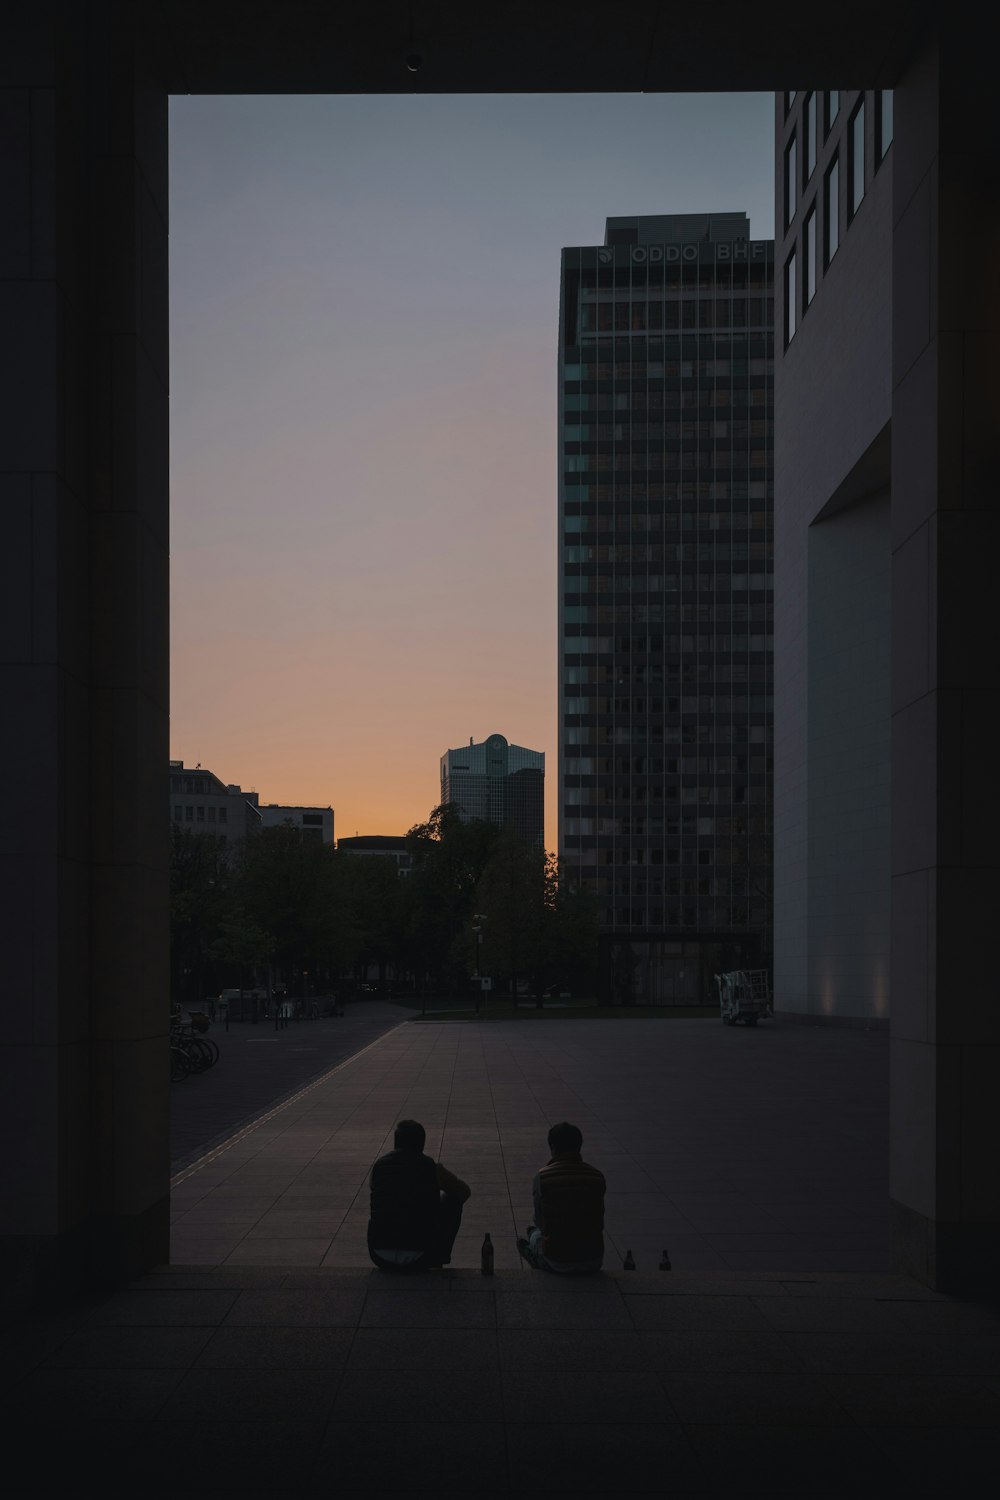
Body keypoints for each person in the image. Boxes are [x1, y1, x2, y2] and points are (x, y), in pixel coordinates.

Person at [368, 1119, 471, 1272]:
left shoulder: (379, 1167)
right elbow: (464, 1192)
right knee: (452, 1199)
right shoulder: (431, 1167)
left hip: (379, 1254)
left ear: (396, 1142)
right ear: (421, 1143)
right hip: (422, 1255)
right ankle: (439, 1258)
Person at [517, 1121, 605, 1274]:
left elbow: (540, 1221)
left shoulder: (542, 1177)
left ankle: (537, 1258)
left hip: (558, 1260)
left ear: (553, 1148)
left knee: (534, 1233)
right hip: (593, 1259)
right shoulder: (597, 1177)